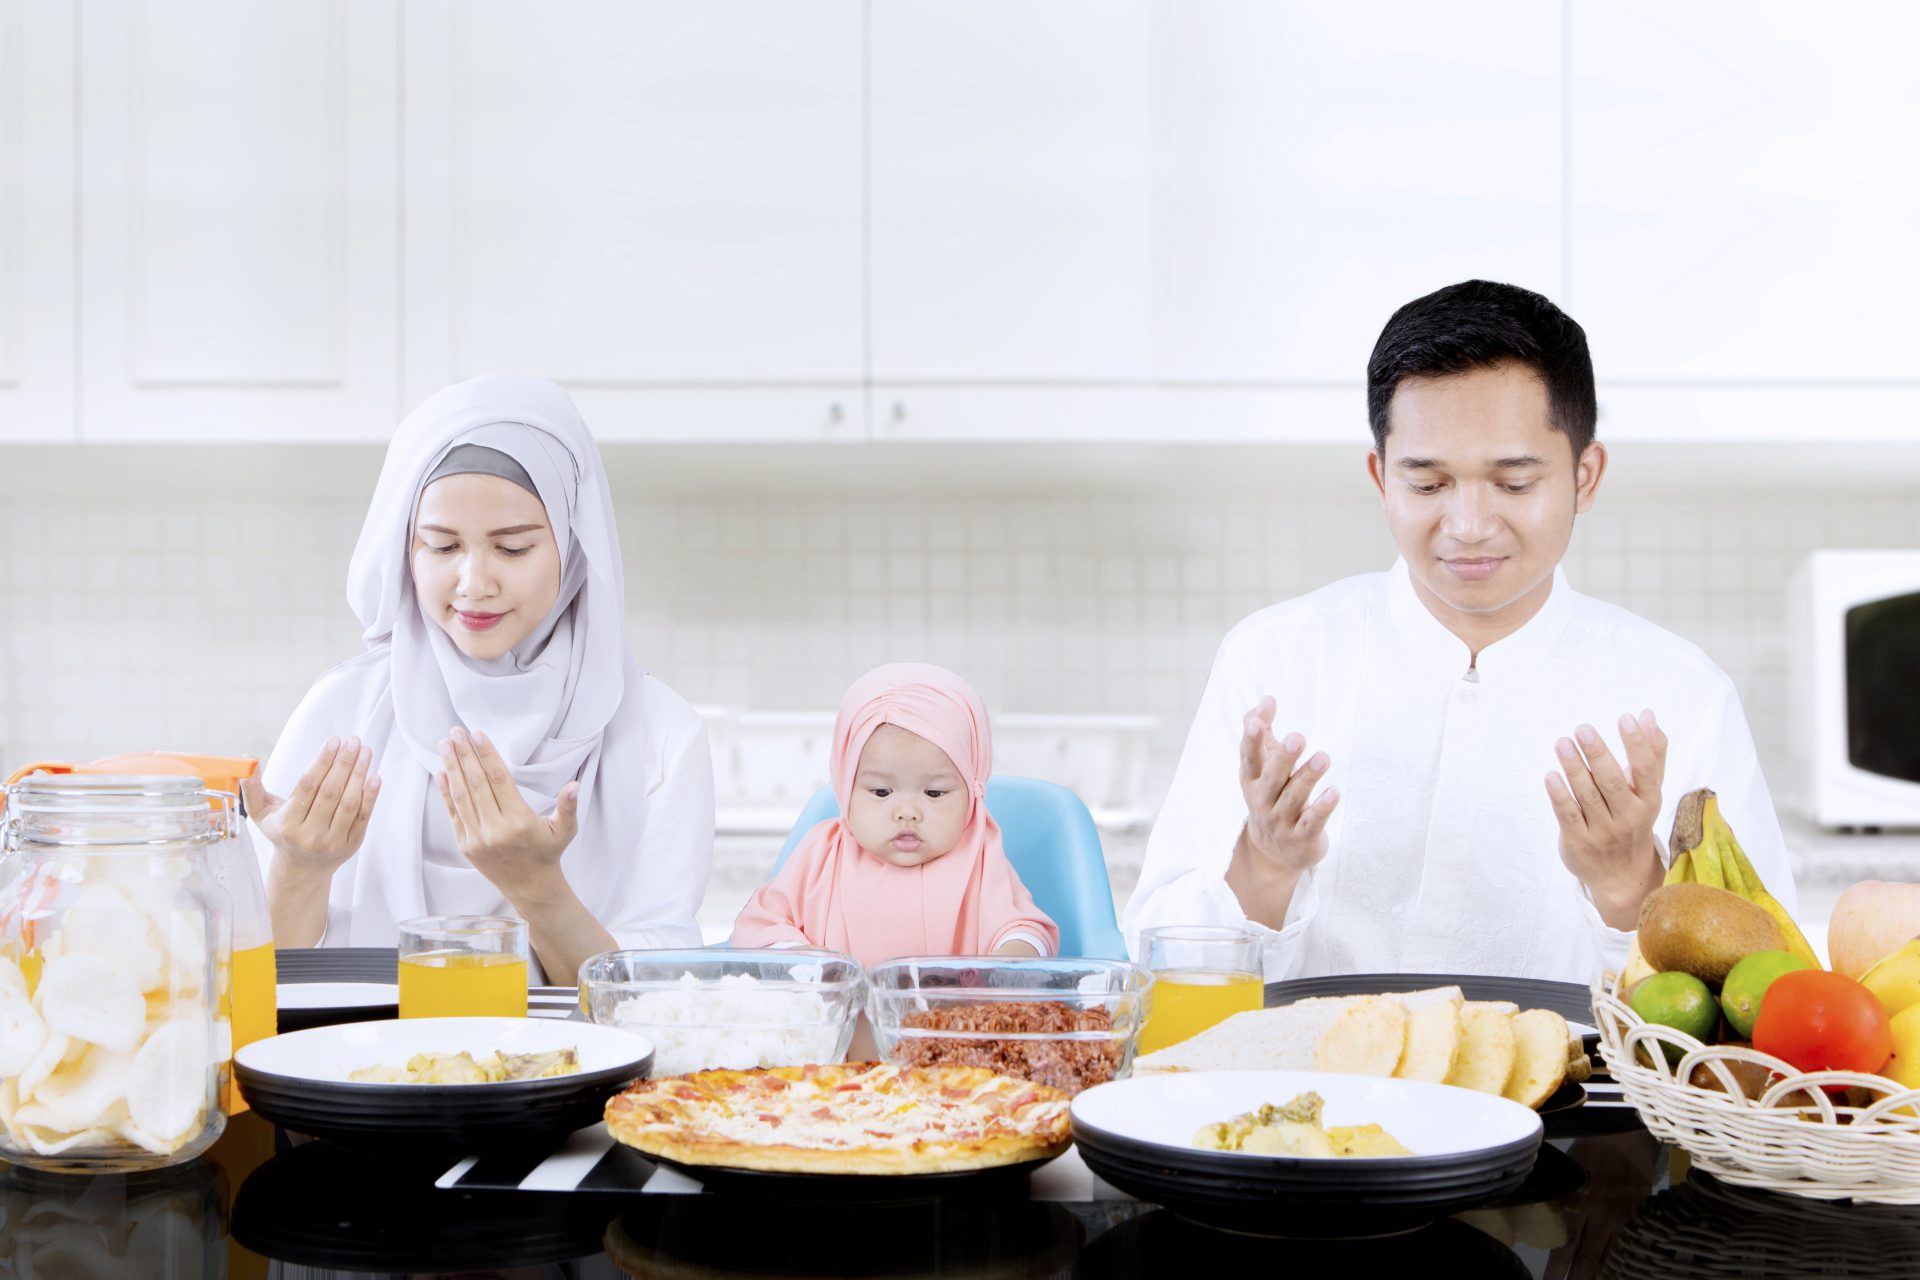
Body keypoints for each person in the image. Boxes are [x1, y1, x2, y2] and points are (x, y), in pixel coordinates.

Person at [1124, 280, 1794, 983]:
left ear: (1585, 477)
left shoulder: (1679, 693)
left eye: (1513, 484)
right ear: (1381, 476)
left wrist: (1628, 885)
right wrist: (1263, 866)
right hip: (1316, 1088)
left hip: (1573, 1094)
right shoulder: (1276, 661)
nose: (1469, 526)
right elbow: (1153, 966)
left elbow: (1760, 993)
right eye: (1427, 484)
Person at [243, 376, 713, 983]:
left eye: (513, 548)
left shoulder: (661, 734)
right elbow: (246, 980)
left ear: (573, 547)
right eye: (441, 546)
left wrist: (537, 889)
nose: (473, 583)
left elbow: (662, 998)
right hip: (363, 1068)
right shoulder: (344, 709)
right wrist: (299, 870)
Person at [731, 663, 1058, 968]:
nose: (907, 813)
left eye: (934, 793)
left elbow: (1027, 930)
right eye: (881, 792)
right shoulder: (821, 854)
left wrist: (1010, 962)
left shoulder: (980, 855)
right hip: (842, 1027)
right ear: (847, 789)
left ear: (972, 792)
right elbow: (758, 928)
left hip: (948, 1027)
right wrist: (803, 959)